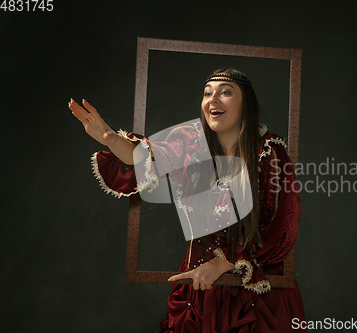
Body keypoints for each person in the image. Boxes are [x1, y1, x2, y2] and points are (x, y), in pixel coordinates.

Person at [69, 69, 307, 332]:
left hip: (256, 296)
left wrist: (223, 264)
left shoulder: (270, 153)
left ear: (246, 103)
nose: (213, 99)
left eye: (225, 92)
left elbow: (283, 226)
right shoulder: (190, 143)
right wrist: (112, 140)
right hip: (199, 289)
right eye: (207, 94)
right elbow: (147, 158)